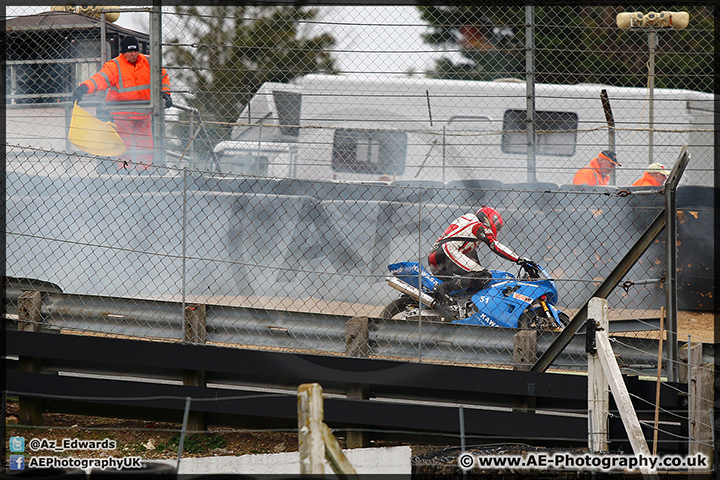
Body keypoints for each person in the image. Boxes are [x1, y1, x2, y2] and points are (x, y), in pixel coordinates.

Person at [72, 36, 172, 172]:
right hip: (123, 115)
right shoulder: (114, 66)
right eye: (129, 52)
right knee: (125, 147)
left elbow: (163, 77)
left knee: (146, 146)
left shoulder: (149, 61)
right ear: (123, 52)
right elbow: (100, 79)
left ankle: (145, 172)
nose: (133, 54)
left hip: (144, 114)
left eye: (135, 51)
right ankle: (125, 172)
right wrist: (84, 88)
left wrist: (166, 93)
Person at [427, 206, 535, 303]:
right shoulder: (478, 226)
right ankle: (442, 289)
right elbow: (494, 246)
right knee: (484, 276)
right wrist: (519, 259)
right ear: (489, 219)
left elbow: (473, 261)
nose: (496, 230)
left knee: (476, 276)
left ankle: (454, 302)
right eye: (496, 227)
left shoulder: (467, 227)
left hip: (437, 255)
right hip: (447, 251)